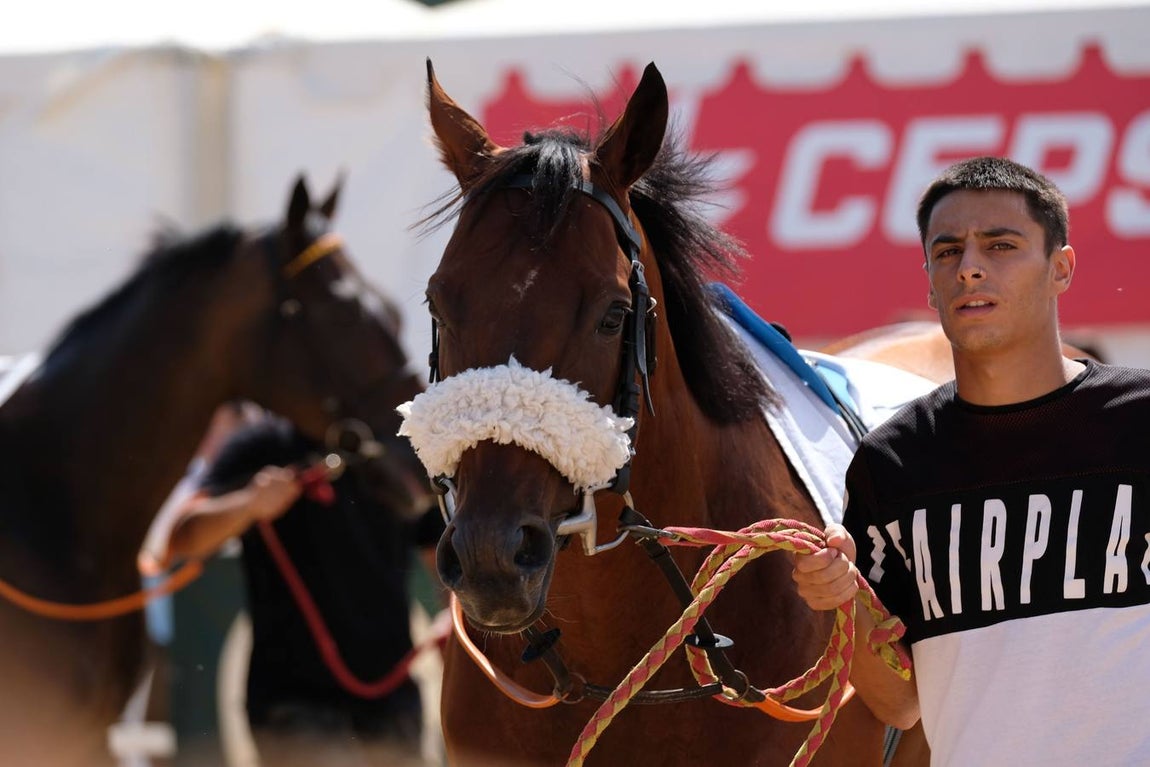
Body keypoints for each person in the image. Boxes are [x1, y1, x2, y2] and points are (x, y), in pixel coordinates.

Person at [793, 156, 1150, 765]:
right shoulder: (890, 462)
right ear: (929, 281)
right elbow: (902, 703)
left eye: (1001, 245)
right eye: (948, 251)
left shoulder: (1141, 418)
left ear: (1061, 267)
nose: (971, 268)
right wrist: (841, 598)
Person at [156, 413, 444, 767]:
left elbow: (438, 546)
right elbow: (183, 538)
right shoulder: (262, 445)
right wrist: (249, 503)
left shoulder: (398, 446)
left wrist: (452, 619)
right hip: (292, 705)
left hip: (393, 699)